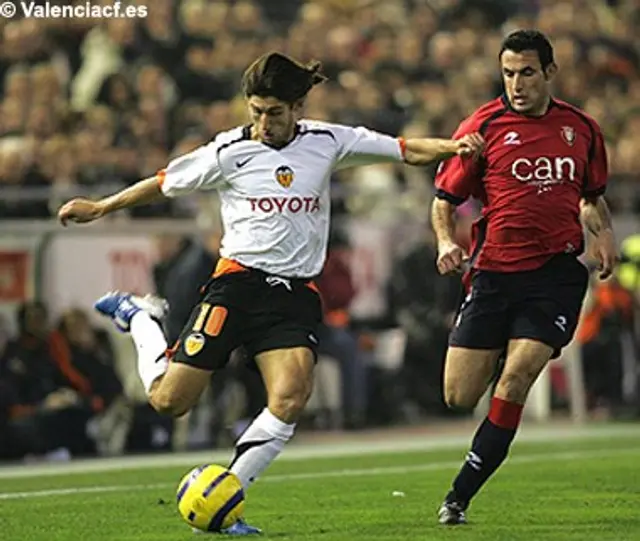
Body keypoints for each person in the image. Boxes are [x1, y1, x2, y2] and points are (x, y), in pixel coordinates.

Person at [57, 52, 484, 535]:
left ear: (297, 106)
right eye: (255, 111)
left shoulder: (330, 141)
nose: (262, 122)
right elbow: (162, 182)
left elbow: (405, 150)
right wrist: (101, 206)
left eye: (273, 113)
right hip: (236, 286)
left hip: (293, 296)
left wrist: (455, 148)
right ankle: (139, 317)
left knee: (291, 395)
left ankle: (225, 500)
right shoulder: (229, 150)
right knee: (168, 401)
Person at [431, 30, 618, 525]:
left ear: (550, 73)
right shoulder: (482, 127)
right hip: (493, 274)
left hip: (555, 275)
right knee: (458, 396)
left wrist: (604, 237)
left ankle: (458, 496)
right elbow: (443, 201)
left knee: (516, 380)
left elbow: (591, 197)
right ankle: (496, 355)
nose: (517, 83)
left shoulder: (582, 129)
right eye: (508, 73)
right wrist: (445, 241)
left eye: (527, 72)